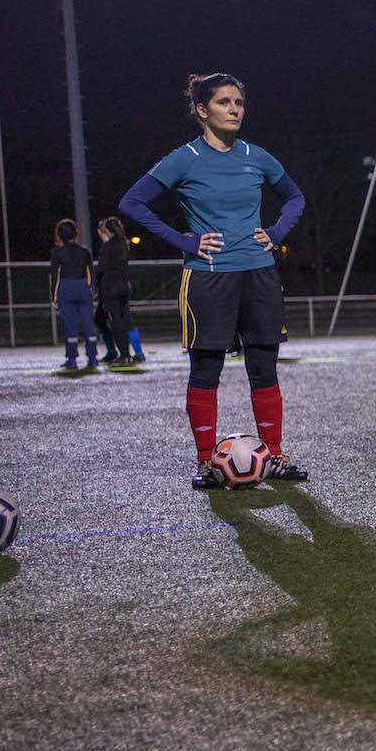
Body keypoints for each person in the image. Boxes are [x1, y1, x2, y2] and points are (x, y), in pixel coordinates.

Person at [119, 73, 306, 489]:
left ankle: (274, 455)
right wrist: (183, 240)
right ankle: (206, 462)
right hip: (208, 278)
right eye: (224, 102)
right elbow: (131, 202)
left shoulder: (257, 156)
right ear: (202, 110)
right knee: (206, 370)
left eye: (239, 101)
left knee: (264, 367)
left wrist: (275, 234)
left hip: (258, 274)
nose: (235, 109)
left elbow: (295, 198)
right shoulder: (184, 158)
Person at [49, 219, 98, 370]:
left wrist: (54, 297)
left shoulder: (57, 252)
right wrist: (87, 288)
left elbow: (55, 275)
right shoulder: (84, 252)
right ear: (75, 234)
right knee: (88, 323)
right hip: (82, 287)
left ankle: (72, 359)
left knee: (70, 325)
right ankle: (92, 358)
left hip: (66, 288)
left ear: (59, 235)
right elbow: (89, 274)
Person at [95, 216, 135, 366]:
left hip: (111, 288)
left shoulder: (108, 246)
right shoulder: (123, 244)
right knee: (121, 320)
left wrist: (98, 289)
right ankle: (124, 353)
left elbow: (102, 269)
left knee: (114, 321)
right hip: (123, 287)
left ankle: (121, 354)